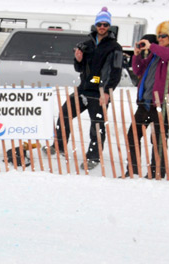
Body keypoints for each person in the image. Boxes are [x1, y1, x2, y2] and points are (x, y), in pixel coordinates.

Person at [46, 7, 123, 171]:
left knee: (97, 125)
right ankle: (58, 146)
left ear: (109, 26)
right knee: (64, 114)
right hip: (84, 88)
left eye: (105, 24)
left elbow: (115, 72)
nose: (102, 26)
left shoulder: (115, 47)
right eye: (100, 23)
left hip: (100, 90)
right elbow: (80, 69)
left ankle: (93, 156)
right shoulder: (87, 44)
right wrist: (78, 59)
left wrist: (108, 91)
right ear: (95, 25)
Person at [125, 21, 169, 179]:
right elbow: (139, 69)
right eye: (159, 36)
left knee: (158, 140)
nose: (160, 38)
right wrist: (137, 55)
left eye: (163, 36)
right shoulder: (156, 52)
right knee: (133, 135)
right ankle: (132, 170)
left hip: (163, 103)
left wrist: (151, 46)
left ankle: (157, 172)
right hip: (145, 102)